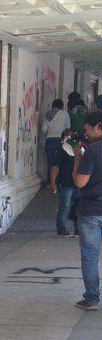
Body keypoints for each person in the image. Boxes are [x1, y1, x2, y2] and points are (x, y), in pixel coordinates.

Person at [71, 110, 102, 309]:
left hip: (92, 209)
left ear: (98, 126)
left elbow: (80, 182)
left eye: (88, 129)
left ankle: (91, 298)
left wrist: (77, 158)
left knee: (90, 255)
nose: (86, 134)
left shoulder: (93, 150)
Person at [50, 128, 77, 236]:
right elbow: (55, 167)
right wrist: (53, 183)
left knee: (78, 206)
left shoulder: (77, 150)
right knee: (64, 205)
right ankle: (61, 228)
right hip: (65, 183)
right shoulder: (61, 149)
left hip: (77, 183)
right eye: (68, 137)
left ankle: (78, 228)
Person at [42, 99, 70, 186]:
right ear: (61, 106)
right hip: (60, 141)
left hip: (49, 140)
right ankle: (58, 182)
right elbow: (68, 128)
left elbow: (43, 129)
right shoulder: (65, 114)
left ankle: (50, 182)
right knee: (60, 161)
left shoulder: (47, 114)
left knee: (50, 161)